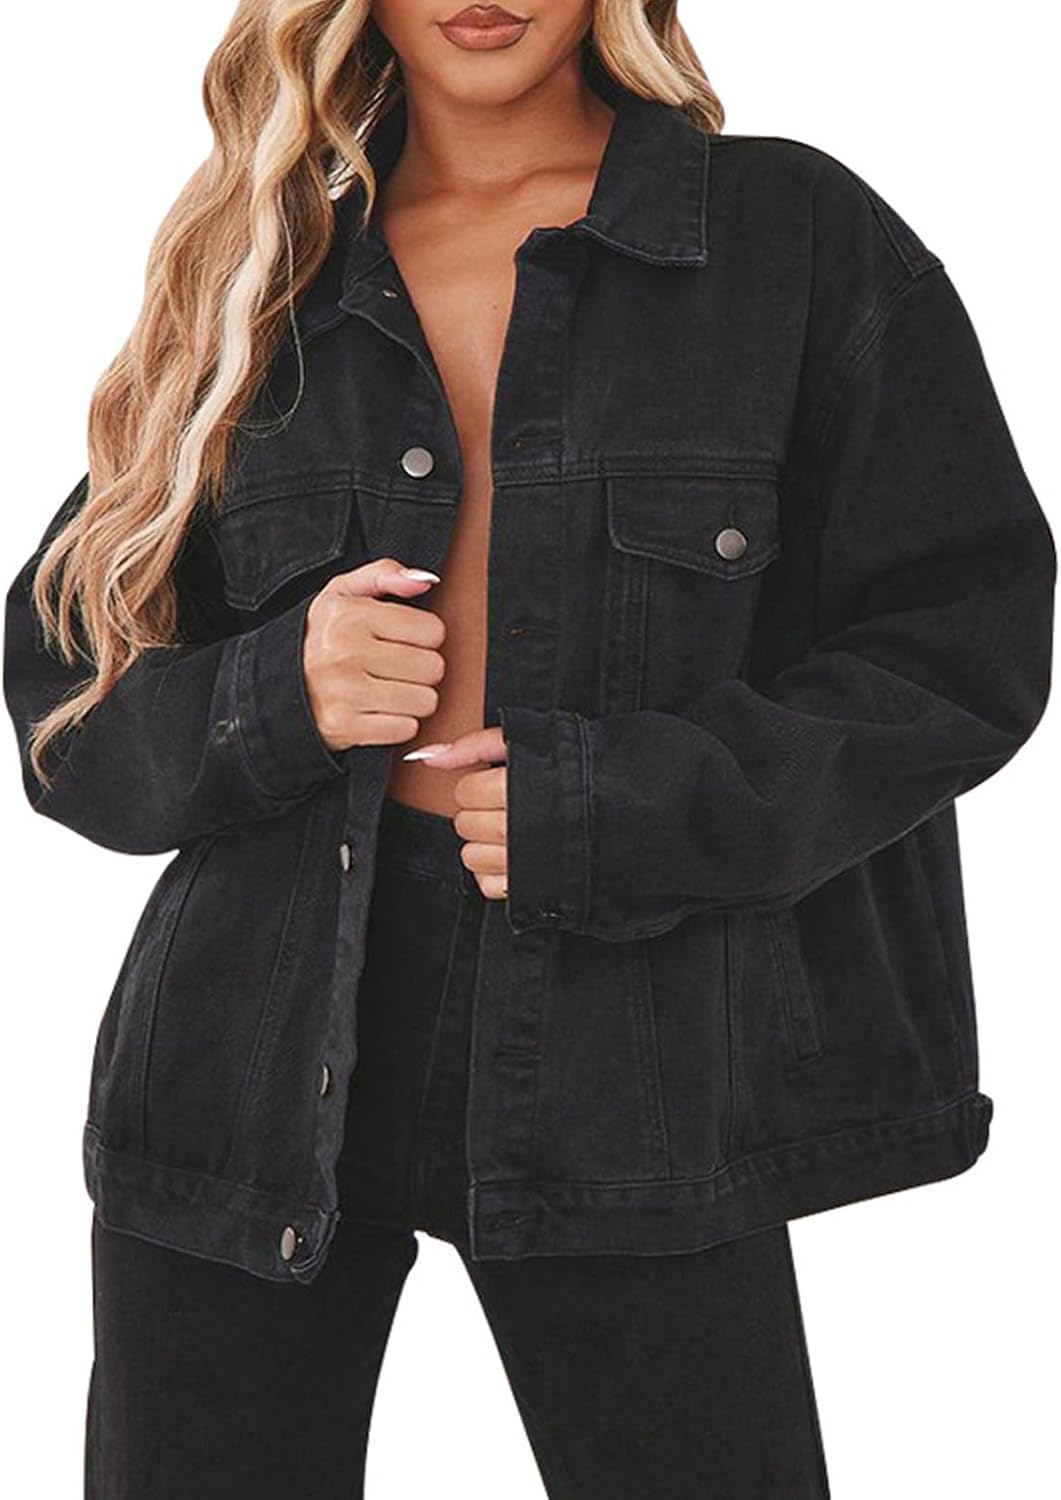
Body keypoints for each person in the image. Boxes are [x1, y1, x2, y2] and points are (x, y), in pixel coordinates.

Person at [3, 2, 1054, 1497]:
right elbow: (67, 698)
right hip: (252, 1050)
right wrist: (279, 688)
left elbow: (962, 639)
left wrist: (632, 809)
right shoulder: (260, 272)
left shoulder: (789, 237)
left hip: (643, 1040)